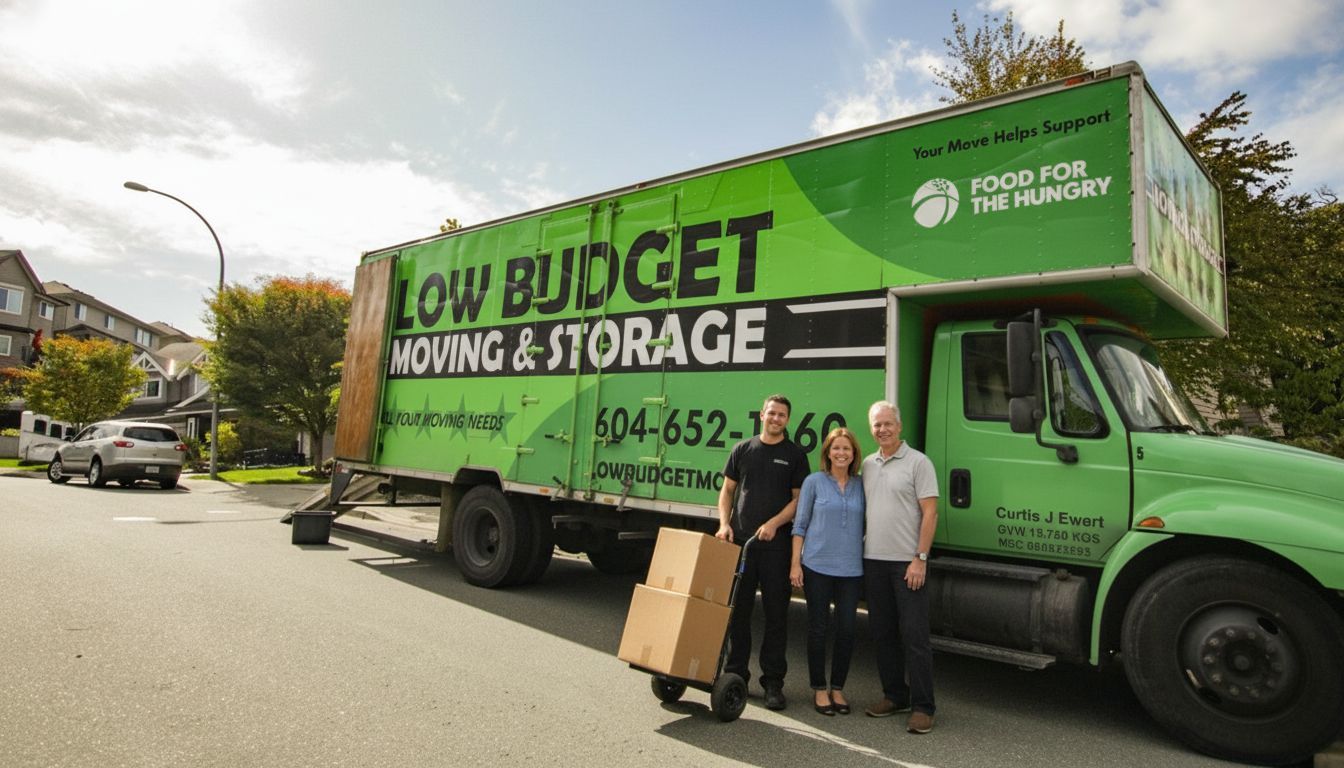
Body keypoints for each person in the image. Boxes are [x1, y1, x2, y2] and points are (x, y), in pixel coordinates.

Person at [716, 394, 810, 711]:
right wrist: (724, 524)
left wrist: (774, 523)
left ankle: (772, 683)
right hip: (742, 544)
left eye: (782, 415)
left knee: (776, 617)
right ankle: (735, 674)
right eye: (772, 413)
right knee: (738, 613)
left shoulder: (795, 455)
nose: (776, 418)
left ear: (787, 419)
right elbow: (727, 491)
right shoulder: (742, 449)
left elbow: (799, 501)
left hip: (776, 547)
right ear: (761, 415)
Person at [861, 401, 940, 734]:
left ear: (900, 425)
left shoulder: (919, 463)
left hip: (907, 565)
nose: (883, 429)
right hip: (873, 562)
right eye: (877, 425)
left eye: (888, 424)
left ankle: (924, 707)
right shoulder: (866, 464)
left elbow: (930, 513)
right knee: (882, 634)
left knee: (914, 636)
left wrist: (919, 559)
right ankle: (895, 695)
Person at [790, 427, 865, 716]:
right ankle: (819, 689)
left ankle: (838, 687)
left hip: (851, 569)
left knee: (846, 629)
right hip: (816, 566)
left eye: (847, 448)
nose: (841, 453)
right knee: (818, 628)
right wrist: (795, 563)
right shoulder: (814, 482)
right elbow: (800, 525)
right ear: (827, 453)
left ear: (854, 453)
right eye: (836, 448)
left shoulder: (861, 486)